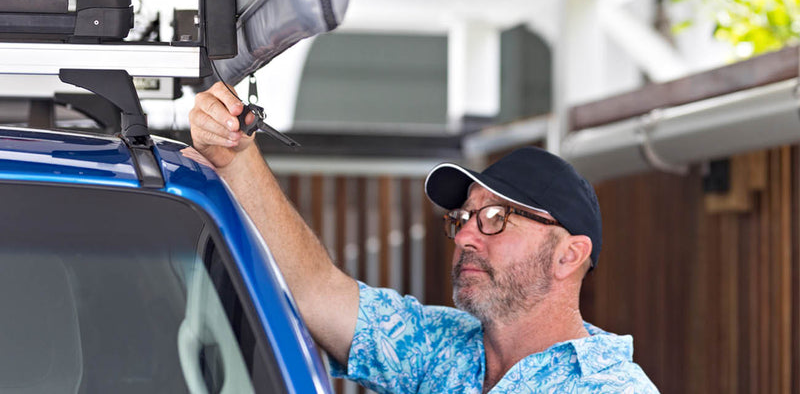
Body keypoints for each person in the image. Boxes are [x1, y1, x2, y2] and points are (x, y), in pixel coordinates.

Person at [188, 82, 659, 393]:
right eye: (462, 218)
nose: (466, 236)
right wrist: (236, 157)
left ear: (568, 255)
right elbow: (316, 292)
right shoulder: (441, 347)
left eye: (494, 216)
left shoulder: (611, 387)